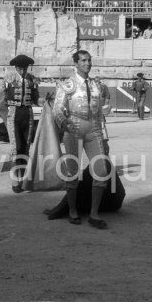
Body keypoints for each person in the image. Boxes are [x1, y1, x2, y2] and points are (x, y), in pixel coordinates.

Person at [52, 50, 112, 229]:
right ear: (76, 64)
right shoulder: (67, 85)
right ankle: (72, 210)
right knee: (72, 172)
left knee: (101, 171)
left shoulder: (97, 86)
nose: (88, 63)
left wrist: (105, 135)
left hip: (94, 130)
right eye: (84, 61)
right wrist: (64, 122)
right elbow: (57, 109)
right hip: (74, 129)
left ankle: (94, 214)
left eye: (89, 60)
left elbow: (101, 113)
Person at [0, 54, 39, 193]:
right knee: (16, 148)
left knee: (25, 148)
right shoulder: (8, 79)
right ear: (16, 67)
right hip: (13, 115)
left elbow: (37, 99)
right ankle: (15, 181)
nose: (23, 71)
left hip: (28, 115)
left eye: (25, 68)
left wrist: (46, 102)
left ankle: (22, 180)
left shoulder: (32, 80)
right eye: (20, 68)